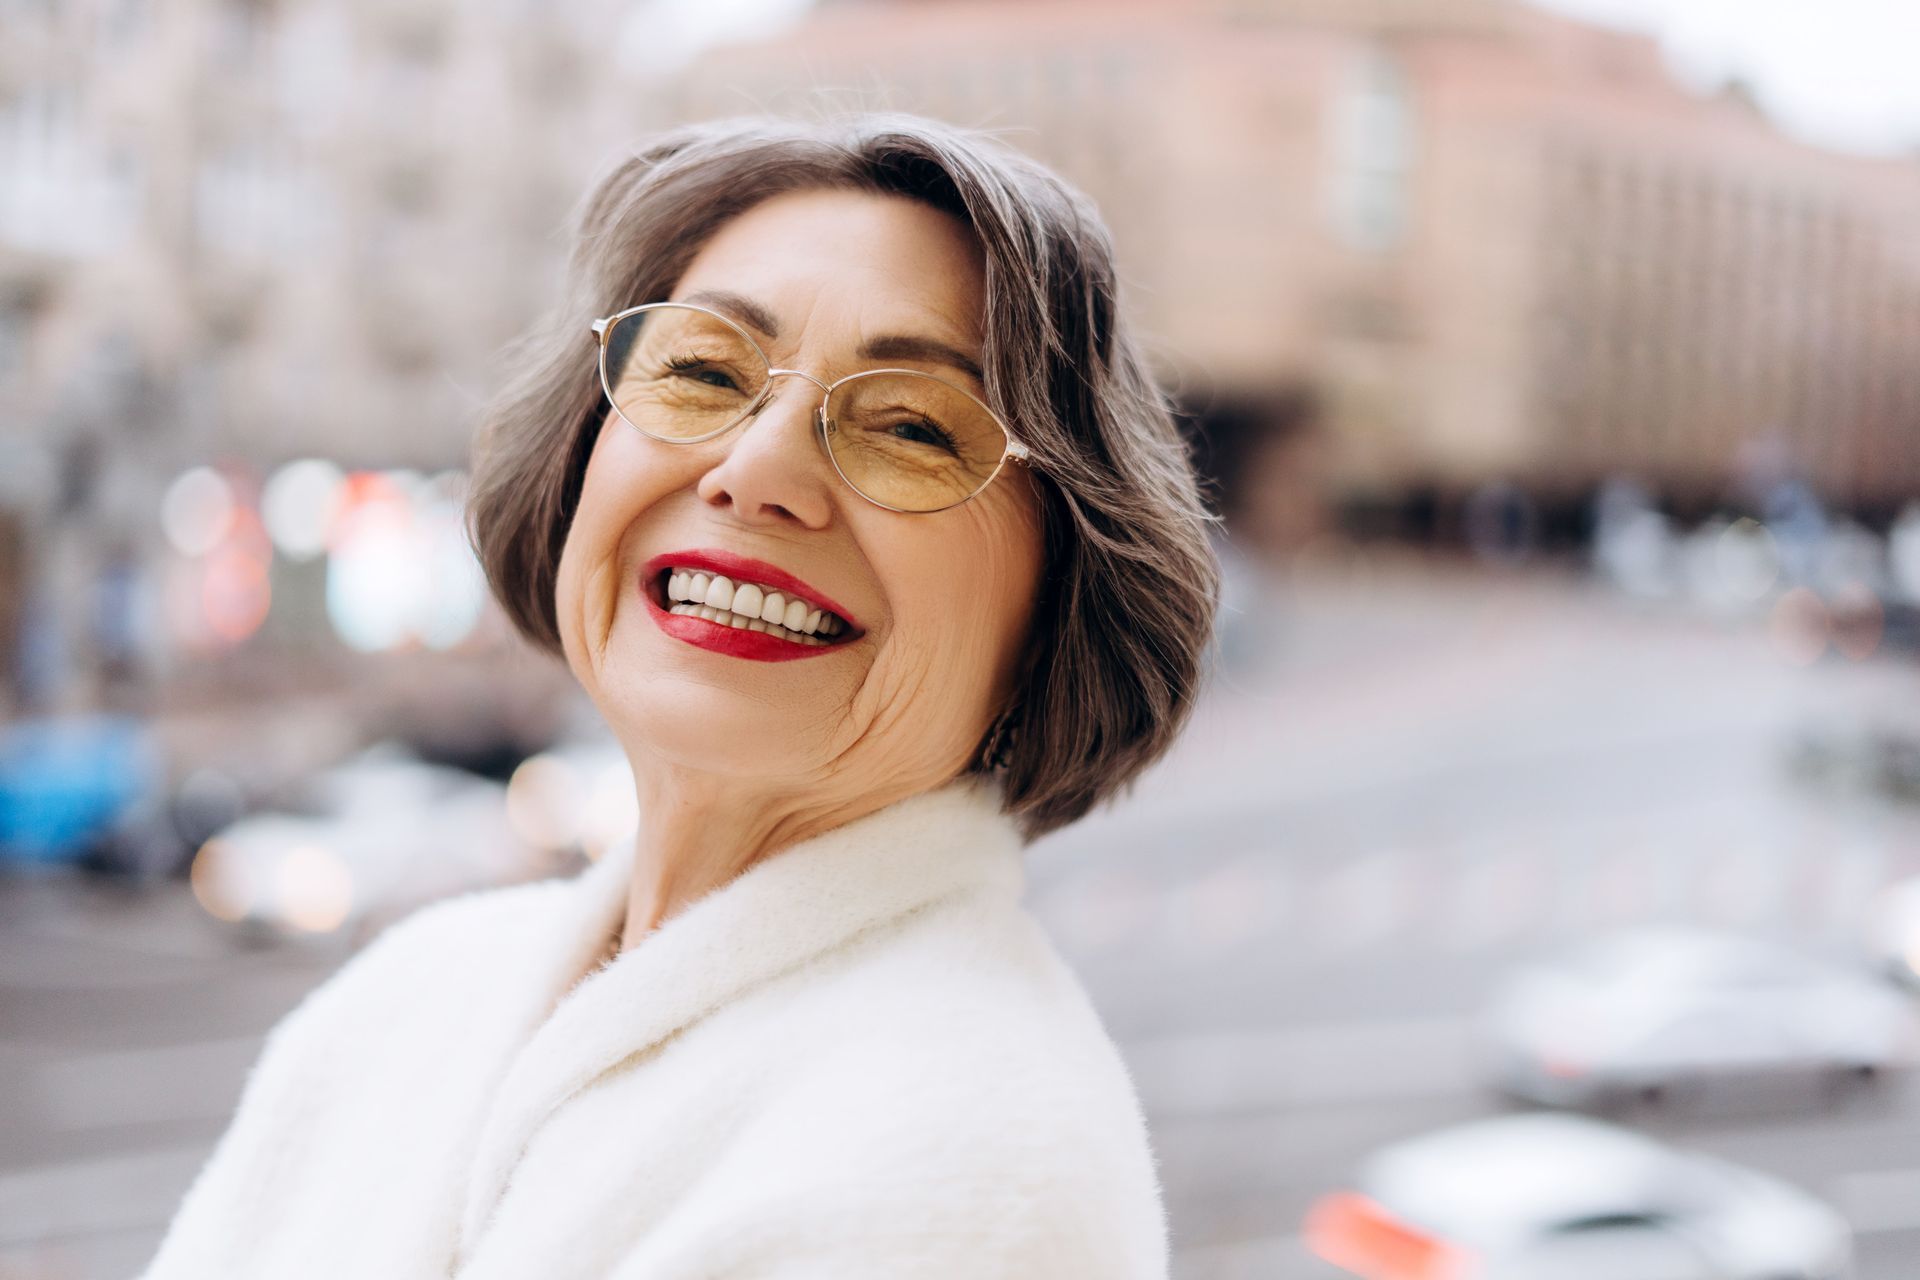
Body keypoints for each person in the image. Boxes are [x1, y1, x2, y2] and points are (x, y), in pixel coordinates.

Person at [140, 114, 1220, 1280]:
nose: (755, 470)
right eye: (703, 370)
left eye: (912, 425)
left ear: (1064, 597)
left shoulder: (972, 1169)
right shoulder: (407, 998)